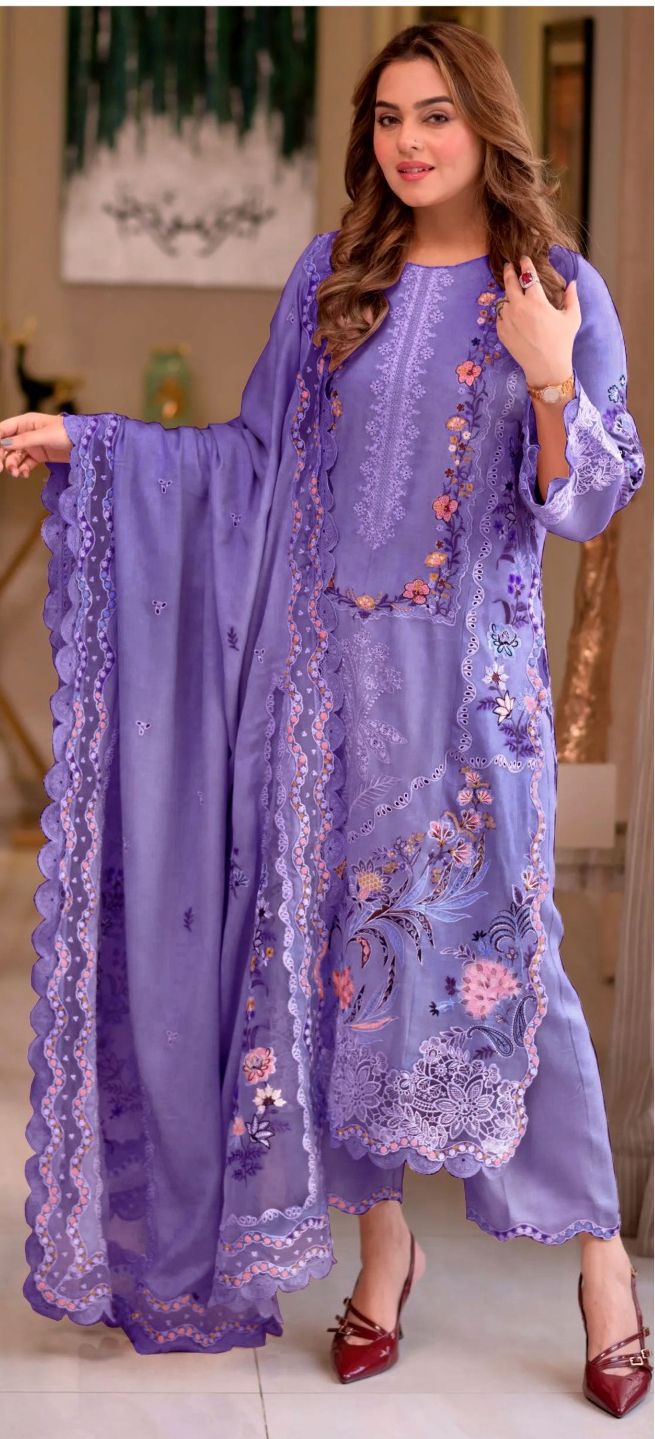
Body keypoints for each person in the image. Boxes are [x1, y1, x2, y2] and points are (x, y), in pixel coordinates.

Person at [1, 19, 651, 1416]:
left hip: (471, 708)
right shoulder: (333, 276)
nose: (408, 143)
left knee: (515, 973)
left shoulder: (555, 285)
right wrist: (96, 445)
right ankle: (384, 1250)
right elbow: (252, 461)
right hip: (323, 702)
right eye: (387, 119)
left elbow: (590, 501)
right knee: (339, 974)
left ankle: (604, 1267)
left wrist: (550, 368)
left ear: (486, 124)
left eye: (435, 115)